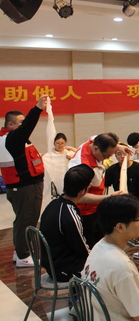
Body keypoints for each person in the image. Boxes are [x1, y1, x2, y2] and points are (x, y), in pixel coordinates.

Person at [1, 95, 47, 267]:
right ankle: (23, 256)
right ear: (10, 124)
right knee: (27, 220)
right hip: (25, 187)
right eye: (20, 122)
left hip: (19, 187)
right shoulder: (13, 138)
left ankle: (19, 251)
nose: (23, 125)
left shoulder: (8, 138)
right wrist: (38, 108)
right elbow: (28, 126)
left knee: (22, 220)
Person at [69, 133, 128, 248]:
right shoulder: (83, 168)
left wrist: (119, 147)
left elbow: (97, 137)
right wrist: (108, 197)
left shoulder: (92, 143)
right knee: (90, 246)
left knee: (101, 242)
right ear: (96, 149)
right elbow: (80, 197)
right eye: (107, 156)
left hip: (96, 208)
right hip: (84, 213)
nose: (108, 159)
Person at [39, 165, 94, 282]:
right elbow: (83, 251)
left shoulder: (53, 204)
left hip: (51, 264)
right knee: (105, 264)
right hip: (64, 270)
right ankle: (82, 292)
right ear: (83, 191)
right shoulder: (70, 215)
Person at [104, 144, 139, 209]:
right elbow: (105, 186)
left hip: (138, 201)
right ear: (115, 156)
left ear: (129, 154)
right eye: (119, 154)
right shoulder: (111, 170)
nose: (122, 156)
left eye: (125, 153)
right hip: (120, 201)